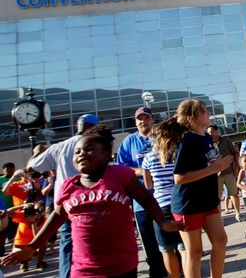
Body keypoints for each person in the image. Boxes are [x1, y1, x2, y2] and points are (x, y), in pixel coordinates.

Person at [1, 127, 182, 277]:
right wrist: (32, 246)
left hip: (122, 265)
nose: (81, 154)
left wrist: (162, 221)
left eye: (89, 149)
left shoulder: (119, 175)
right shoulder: (67, 186)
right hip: (84, 269)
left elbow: (145, 197)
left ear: (105, 155)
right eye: (77, 151)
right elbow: (56, 215)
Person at [154, 99, 233, 278]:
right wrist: (213, 168)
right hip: (187, 204)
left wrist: (217, 166)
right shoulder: (186, 141)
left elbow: (209, 164)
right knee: (195, 252)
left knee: (220, 240)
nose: (208, 114)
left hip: (208, 200)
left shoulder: (206, 137)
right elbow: (179, 178)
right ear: (191, 118)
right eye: (204, 111)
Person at [26, 113, 99, 278]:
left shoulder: (60, 146)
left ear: (77, 127)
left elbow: (32, 168)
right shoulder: (97, 146)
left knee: (68, 244)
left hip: (65, 206)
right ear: (92, 127)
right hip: (92, 203)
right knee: (94, 244)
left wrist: (36, 152)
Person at [117, 106, 166, 278]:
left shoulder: (161, 137)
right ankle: (157, 272)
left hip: (164, 197)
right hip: (141, 200)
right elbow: (121, 167)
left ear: (152, 120)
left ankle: (177, 268)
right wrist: (140, 171)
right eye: (140, 119)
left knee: (169, 235)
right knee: (149, 240)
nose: (143, 121)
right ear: (135, 122)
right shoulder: (129, 142)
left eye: (146, 118)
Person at [143, 125, 186, 278]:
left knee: (166, 249)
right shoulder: (177, 154)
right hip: (180, 204)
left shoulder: (148, 158)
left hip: (161, 207)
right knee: (183, 247)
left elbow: (148, 185)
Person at [2, 170, 47, 271]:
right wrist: (13, 177)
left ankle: (39, 261)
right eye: (22, 172)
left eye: (26, 172)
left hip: (36, 208)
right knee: (23, 232)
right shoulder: (16, 184)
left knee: (42, 240)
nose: (23, 173)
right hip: (22, 211)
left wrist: (28, 178)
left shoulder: (32, 181)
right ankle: (24, 261)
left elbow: (38, 187)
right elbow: (5, 191)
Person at [207, 125, 241, 220]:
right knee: (217, 198)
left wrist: (236, 168)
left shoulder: (226, 141)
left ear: (217, 131)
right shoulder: (207, 143)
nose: (210, 134)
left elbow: (235, 153)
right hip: (215, 175)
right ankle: (219, 218)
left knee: (234, 194)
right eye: (208, 132)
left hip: (229, 172)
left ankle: (238, 214)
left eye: (212, 131)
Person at [0, 162, 17, 257]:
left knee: (15, 230)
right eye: (7, 170)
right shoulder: (0, 180)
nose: (9, 171)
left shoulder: (18, 179)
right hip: (3, 209)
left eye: (11, 169)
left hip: (16, 208)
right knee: (3, 231)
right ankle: (2, 249)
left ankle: (14, 250)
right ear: (3, 171)